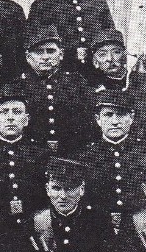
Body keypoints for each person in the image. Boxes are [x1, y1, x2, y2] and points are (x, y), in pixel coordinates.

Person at [75, 89, 146, 233]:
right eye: (108, 115)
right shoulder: (84, 157)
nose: (114, 121)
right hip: (97, 230)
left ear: (131, 117)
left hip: (140, 228)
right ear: (97, 119)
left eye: (120, 114)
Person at [0, 84, 49, 230]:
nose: (10, 117)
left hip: (34, 228)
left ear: (26, 120)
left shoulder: (42, 154)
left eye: (17, 112)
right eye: (4, 112)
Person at [14, 23, 93, 154]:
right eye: (39, 52)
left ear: (61, 54)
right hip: (30, 155)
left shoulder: (78, 83)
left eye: (51, 51)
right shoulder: (17, 86)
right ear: (28, 57)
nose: (45, 57)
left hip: (73, 153)